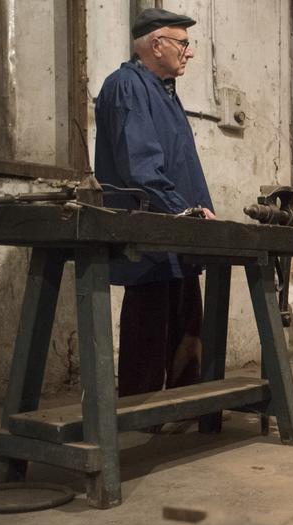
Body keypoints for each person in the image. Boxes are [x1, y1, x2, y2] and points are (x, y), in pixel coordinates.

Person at [94, 8, 217, 405]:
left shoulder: (165, 93)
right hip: (151, 231)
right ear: (156, 44)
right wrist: (186, 212)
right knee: (148, 325)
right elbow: (140, 167)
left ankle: (181, 408)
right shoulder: (127, 86)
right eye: (183, 43)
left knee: (186, 322)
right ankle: (139, 410)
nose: (190, 52)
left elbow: (179, 166)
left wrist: (196, 215)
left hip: (178, 232)